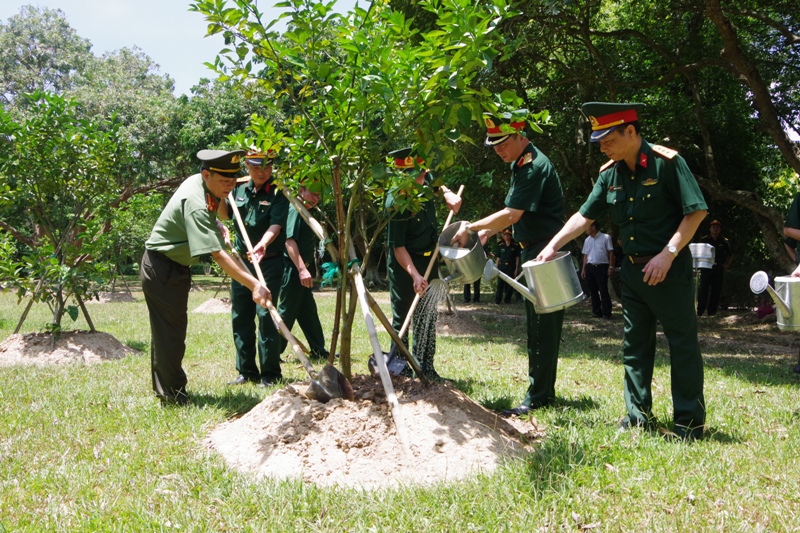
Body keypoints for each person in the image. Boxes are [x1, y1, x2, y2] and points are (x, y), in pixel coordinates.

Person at [536, 102, 708, 440]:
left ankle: (688, 424)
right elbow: (584, 216)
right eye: (598, 141)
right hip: (631, 274)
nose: (602, 146)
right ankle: (637, 416)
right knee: (634, 347)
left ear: (631, 131)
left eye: (607, 139)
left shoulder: (667, 163)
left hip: (668, 272)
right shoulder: (609, 173)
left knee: (682, 345)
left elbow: (696, 212)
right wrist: (553, 245)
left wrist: (668, 254)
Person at [451, 110, 566, 416]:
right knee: (537, 325)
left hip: (544, 253)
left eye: (502, 143)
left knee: (543, 327)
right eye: (493, 145)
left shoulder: (531, 167)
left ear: (519, 135)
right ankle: (540, 390)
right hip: (534, 250)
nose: (498, 149)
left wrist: (472, 227)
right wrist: (488, 230)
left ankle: (539, 397)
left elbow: (513, 213)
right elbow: (519, 213)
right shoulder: (522, 164)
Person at [140, 149, 271, 405]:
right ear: (206, 174)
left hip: (172, 267)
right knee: (171, 335)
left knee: (168, 332)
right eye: (224, 182)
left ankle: (166, 390)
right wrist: (254, 284)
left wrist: (216, 224)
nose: (229, 187)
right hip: (163, 269)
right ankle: (174, 396)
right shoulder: (196, 204)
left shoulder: (199, 183)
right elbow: (219, 255)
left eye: (233, 182)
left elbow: (212, 216)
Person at [386, 147, 461, 381]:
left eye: (422, 173)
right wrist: (415, 276)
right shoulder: (397, 201)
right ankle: (399, 368)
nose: (422, 179)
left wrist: (448, 193)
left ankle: (426, 368)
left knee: (427, 313)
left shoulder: (424, 179)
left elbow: (433, 180)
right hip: (405, 263)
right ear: (402, 176)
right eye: (416, 176)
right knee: (404, 316)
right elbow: (398, 247)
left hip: (429, 257)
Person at [218, 148, 289, 388]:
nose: (262, 171)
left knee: (266, 315)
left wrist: (262, 244)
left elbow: (276, 224)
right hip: (241, 262)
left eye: (267, 166)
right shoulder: (238, 188)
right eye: (256, 166)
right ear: (247, 166)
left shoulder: (279, 191)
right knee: (241, 315)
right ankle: (246, 371)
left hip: (268, 261)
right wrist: (219, 198)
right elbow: (226, 215)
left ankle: (270, 373)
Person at [277, 183, 329, 360]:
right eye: (313, 194)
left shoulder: (306, 211)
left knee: (308, 311)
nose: (316, 199)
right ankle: (273, 353)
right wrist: (301, 269)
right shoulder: (295, 211)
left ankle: (319, 351)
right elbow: (289, 242)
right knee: (286, 310)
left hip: (301, 268)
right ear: (301, 191)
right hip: (293, 268)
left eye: (318, 196)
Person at [696, 219, 733, 316]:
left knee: (716, 290)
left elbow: (731, 254)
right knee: (703, 289)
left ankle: (712, 312)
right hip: (706, 268)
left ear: (720, 229)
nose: (715, 229)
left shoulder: (724, 241)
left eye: (717, 227)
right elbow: (698, 253)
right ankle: (700, 311)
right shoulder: (704, 240)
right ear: (710, 229)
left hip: (718, 268)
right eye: (713, 227)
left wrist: (727, 265)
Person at [581, 221, 615, 319]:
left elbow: (611, 252)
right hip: (590, 266)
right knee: (593, 291)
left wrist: (611, 266)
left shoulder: (605, 237)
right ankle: (596, 312)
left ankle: (607, 313)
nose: (586, 229)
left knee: (603, 290)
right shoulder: (587, 240)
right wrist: (584, 269)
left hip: (602, 266)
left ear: (594, 227)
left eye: (588, 227)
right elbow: (585, 255)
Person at [494, 228, 520, 304]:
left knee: (509, 284)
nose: (507, 237)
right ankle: (497, 300)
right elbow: (498, 257)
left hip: (511, 267)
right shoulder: (500, 245)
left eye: (508, 235)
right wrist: (496, 267)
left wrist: (516, 269)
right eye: (505, 235)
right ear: (503, 236)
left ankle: (507, 300)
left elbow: (517, 258)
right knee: (500, 284)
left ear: (511, 236)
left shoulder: (515, 246)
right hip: (501, 267)